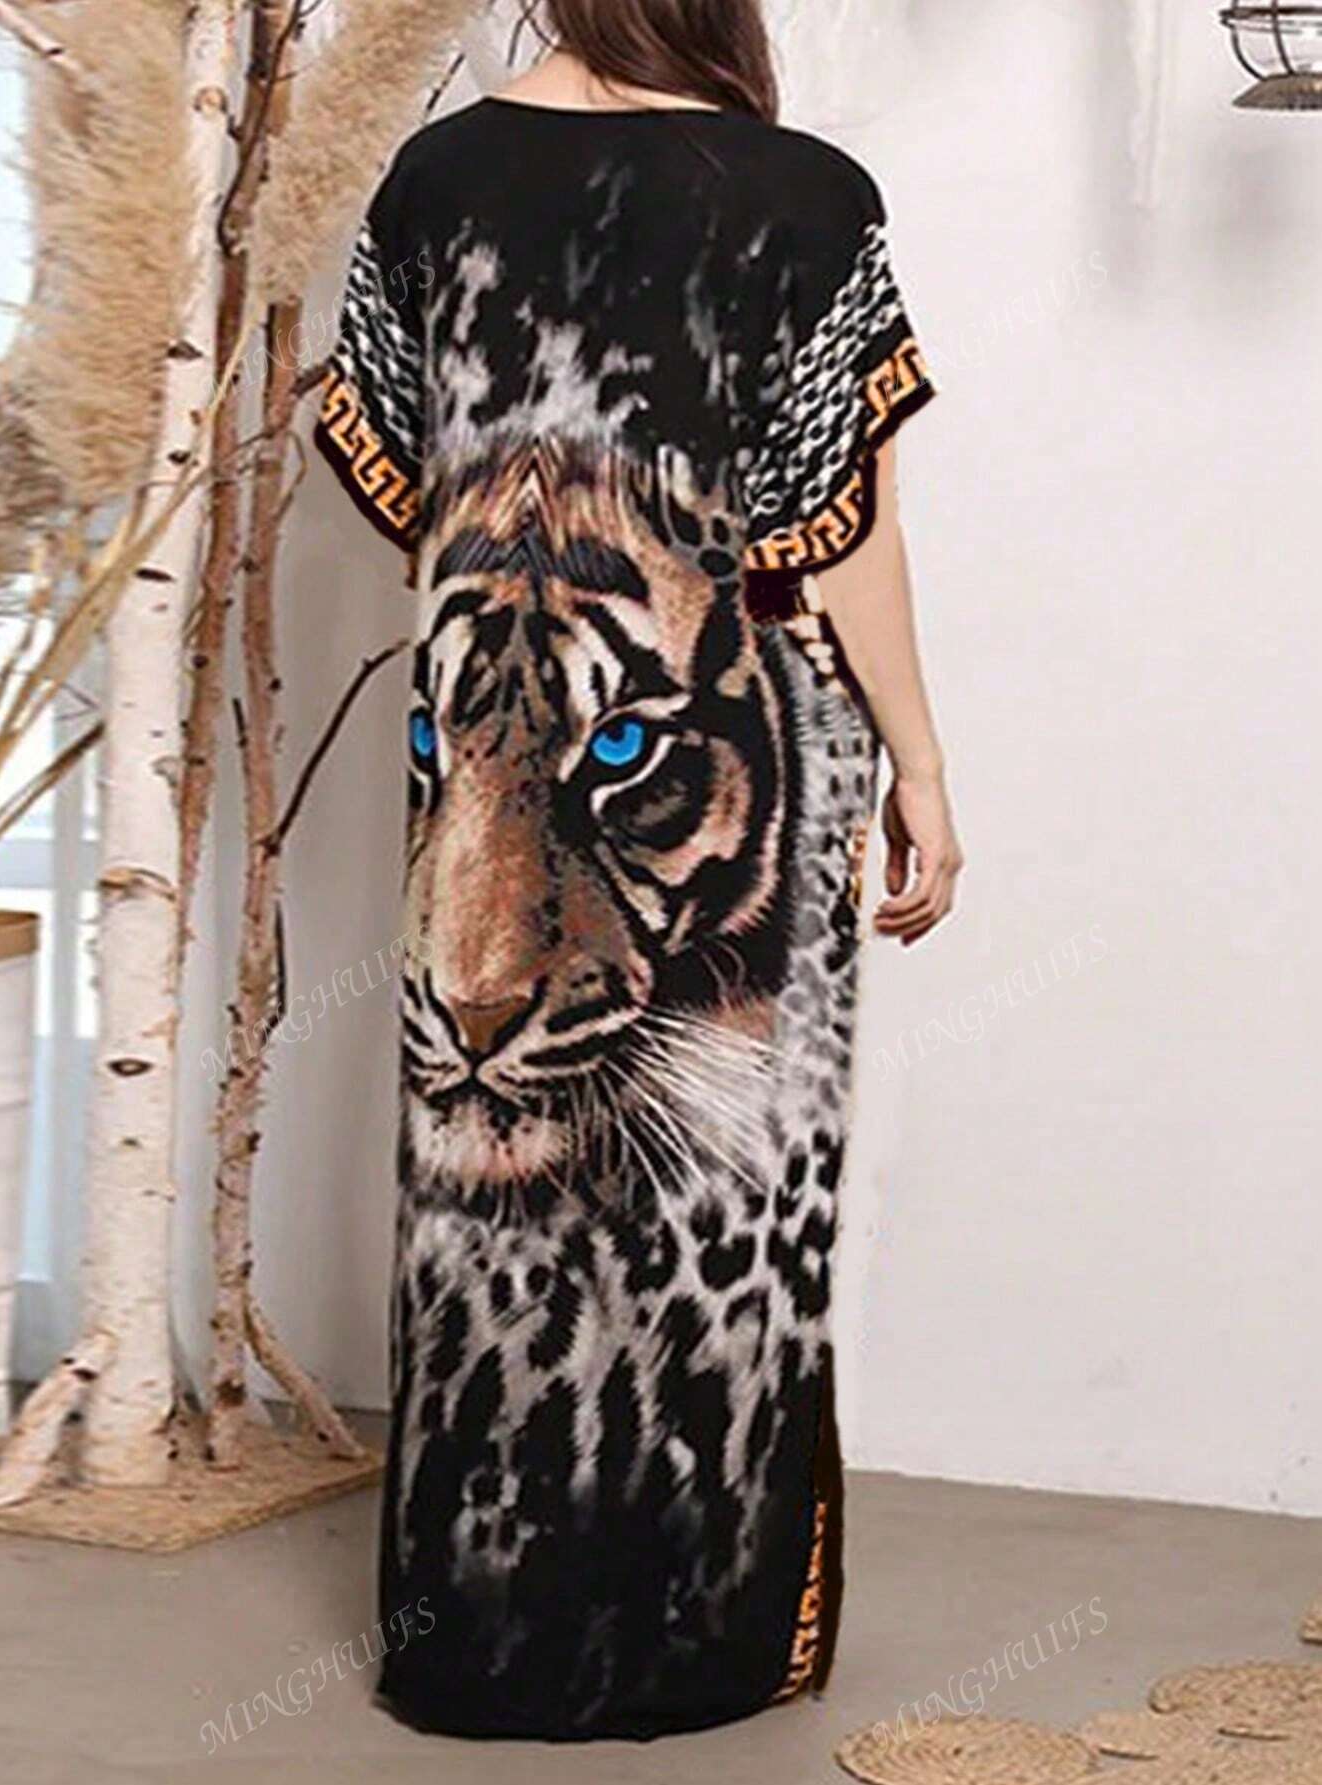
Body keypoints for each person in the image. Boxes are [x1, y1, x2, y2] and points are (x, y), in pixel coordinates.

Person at [315, 0, 963, 1742]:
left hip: (480, 781)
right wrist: (919, 758)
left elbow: (408, 486)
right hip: (721, 767)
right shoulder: (805, 196)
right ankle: (705, 1630)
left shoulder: (436, 177)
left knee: (481, 1229)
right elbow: (848, 528)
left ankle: (475, 1640)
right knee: (723, 1211)